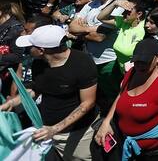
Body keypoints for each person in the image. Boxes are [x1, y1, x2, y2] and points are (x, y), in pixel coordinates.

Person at [1, 25, 97, 160]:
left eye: (30, 47)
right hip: (44, 131)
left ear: (41, 50)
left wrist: (55, 129)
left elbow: (87, 103)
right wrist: (12, 102)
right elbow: (36, 89)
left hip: (76, 134)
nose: (27, 50)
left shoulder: (82, 62)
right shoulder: (38, 63)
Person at [93, 38, 158, 161]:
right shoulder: (132, 72)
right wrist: (107, 122)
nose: (140, 65)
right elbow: (121, 94)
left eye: (145, 62)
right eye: (137, 61)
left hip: (155, 152)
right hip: (132, 149)